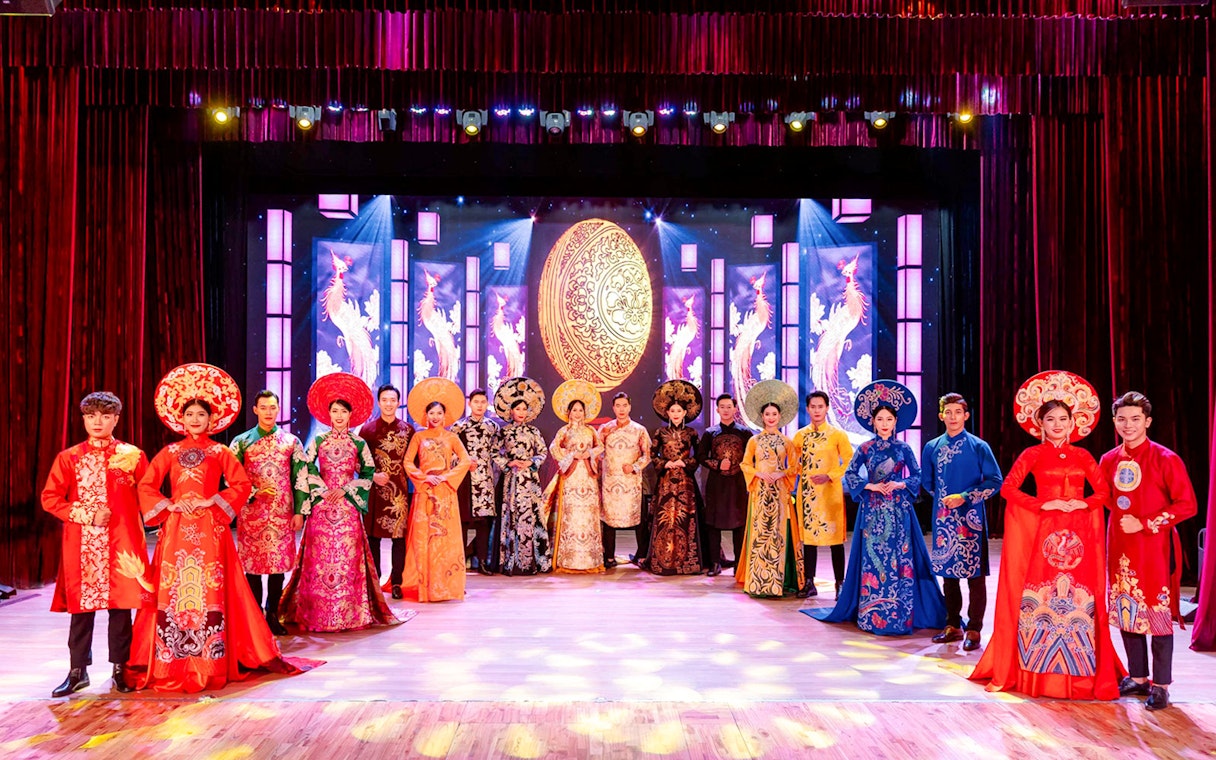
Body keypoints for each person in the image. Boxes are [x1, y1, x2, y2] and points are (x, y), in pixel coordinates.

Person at [131, 363, 302, 692]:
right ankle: (174, 656)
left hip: (211, 529)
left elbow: (240, 484)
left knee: (212, 587)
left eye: (201, 415)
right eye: (190, 415)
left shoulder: (220, 451)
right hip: (177, 528)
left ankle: (214, 656)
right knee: (174, 589)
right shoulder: (169, 452)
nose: (195, 420)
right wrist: (169, 504)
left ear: (212, 420)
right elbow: (146, 486)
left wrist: (212, 501)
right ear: (180, 419)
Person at [970, 370, 1123, 699]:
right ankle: (1037, 674)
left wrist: (1081, 504)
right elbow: (1008, 489)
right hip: (1044, 538)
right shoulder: (1032, 455)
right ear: (1040, 424)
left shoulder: (1083, 456)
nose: (1057, 425)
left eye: (1063, 419)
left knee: (1081, 601)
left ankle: (1079, 673)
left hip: (1079, 537)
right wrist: (1044, 503)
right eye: (1051, 419)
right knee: (1040, 601)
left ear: (1073, 423)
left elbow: (1105, 494)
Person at [805, 380, 946, 636]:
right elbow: (850, 473)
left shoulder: (903, 448)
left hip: (898, 510)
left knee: (901, 558)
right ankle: (872, 614)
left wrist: (899, 483)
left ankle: (900, 612)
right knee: (873, 558)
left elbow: (917, 476)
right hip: (872, 511)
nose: (884, 423)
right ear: (873, 422)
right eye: (879, 419)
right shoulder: (866, 448)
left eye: (888, 419)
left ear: (895, 422)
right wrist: (869, 487)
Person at [42, 392, 150, 697]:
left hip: (123, 543)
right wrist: (87, 513)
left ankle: (120, 669)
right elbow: (50, 498)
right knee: (81, 611)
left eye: (104, 416)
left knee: (121, 610)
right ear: (84, 419)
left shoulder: (133, 455)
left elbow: (148, 495)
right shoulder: (69, 458)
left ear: (116, 418)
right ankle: (78, 671)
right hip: (82, 544)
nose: (98, 422)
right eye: (91, 417)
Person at [1100, 391, 1198, 710]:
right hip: (1119, 547)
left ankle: (1161, 685)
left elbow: (1187, 505)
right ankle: (1138, 678)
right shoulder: (1109, 459)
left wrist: (1145, 523)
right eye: (1122, 419)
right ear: (1115, 422)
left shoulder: (1165, 459)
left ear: (1148, 422)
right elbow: (1102, 497)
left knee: (1156, 617)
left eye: (1135, 419)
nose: (1128, 425)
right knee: (1128, 611)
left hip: (1153, 547)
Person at [280, 372, 398, 632]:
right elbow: (305, 467)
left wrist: (346, 489)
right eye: (334, 411)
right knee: (318, 559)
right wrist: (321, 490)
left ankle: (348, 612)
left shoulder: (358, 443)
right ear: (329, 414)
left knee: (347, 559)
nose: (339, 416)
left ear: (350, 415)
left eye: (343, 412)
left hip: (346, 508)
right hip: (321, 507)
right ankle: (317, 612)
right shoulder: (319, 441)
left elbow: (368, 472)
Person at [921, 393, 1003, 651]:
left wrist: (965, 497)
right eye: (949, 412)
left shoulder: (979, 446)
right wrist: (945, 502)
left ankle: (974, 629)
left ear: (966, 415)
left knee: (975, 576)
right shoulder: (932, 447)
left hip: (972, 520)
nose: (953, 416)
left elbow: (995, 481)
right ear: (941, 415)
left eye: (958, 412)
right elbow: (927, 482)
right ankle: (952, 624)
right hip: (944, 520)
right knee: (948, 576)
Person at [229, 390, 311, 636]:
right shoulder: (241, 442)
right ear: (255, 410)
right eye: (263, 407)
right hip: (252, 513)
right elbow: (231, 476)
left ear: (278, 409)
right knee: (253, 566)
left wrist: (300, 511)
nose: (267, 411)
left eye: (272, 407)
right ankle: (254, 615)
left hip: (281, 513)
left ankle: (272, 613)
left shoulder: (291, 442)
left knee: (278, 566)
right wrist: (253, 492)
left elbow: (301, 478)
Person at [400, 378, 474, 602]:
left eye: (439, 413)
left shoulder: (452, 437)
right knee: (425, 539)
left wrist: (445, 477)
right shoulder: (418, 437)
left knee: (445, 540)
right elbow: (407, 463)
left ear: (444, 415)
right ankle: (426, 586)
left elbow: (465, 460)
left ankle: (447, 586)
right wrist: (424, 477)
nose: (435, 417)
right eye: (431, 413)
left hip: (445, 492)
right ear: (426, 416)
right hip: (425, 493)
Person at [737, 380, 805, 597]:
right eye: (767, 414)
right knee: (761, 533)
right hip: (760, 492)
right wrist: (758, 472)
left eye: (774, 413)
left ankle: (781, 580)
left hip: (780, 493)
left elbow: (795, 467)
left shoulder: (787, 442)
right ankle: (758, 581)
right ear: (762, 416)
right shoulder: (754, 441)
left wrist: (781, 473)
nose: (771, 417)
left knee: (779, 533)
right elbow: (745, 464)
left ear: (780, 416)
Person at [789, 391, 854, 598]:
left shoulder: (837, 435)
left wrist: (829, 475)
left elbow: (849, 461)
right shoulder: (800, 436)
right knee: (808, 538)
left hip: (830, 493)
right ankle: (809, 582)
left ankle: (840, 583)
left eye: (820, 406)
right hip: (807, 493)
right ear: (807, 409)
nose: (817, 410)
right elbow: (793, 463)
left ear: (827, 408)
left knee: (835, 539)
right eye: (813, 407)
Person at [358, 383, 415, 598]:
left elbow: (413, 462)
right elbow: (358, 463)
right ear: (379, 402)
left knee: (398, 538)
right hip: (374, 491)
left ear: (398, 403)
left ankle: (397, 582)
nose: (389, 404)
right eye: (385, 400)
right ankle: (375, 581)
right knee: (373, 537)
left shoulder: (407, 430)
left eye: (393, 400)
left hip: (399, 491)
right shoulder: (367, 430)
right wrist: (373, 476)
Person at [494, 377, 552, 575]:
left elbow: (543, 452)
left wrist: (530, 462)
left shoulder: (534, 431)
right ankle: (512, 561)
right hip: (512, 480)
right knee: (511, 517)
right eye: (517, 409)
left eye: (524, 409)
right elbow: (495, 453)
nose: (521, 412)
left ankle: (533, 560)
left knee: (532, 517)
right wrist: (508, 463)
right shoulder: (504, 432)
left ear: (528, 412)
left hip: (529, 479)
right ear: (511, 411)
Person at [548, 380, 606, 573]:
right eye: (574, 410)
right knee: (571, 515)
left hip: (587, 477)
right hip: (571, 477)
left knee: (588, 516)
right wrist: (572, 455)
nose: (578, 413)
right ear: (569, 412)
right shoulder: (564, 431)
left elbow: (600, 447)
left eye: (581, 410)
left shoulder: (591, 431)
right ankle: (569, 559)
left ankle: (590, 559)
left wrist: (589, 454)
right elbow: (554, 448)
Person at [648, 380, 703, 576]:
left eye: (679, 411)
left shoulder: (692, 433)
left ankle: (687, 560)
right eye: (673, 411)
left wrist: (685, 463)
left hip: (685, 482)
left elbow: (699, 456)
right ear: (667, 413)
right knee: (665, 518)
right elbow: (652, 455)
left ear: (685, 413)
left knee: (685, 518)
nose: (676, 414)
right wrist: (664, 463)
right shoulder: (660, 433)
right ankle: (662, 560)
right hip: (665, 482)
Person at [697, 394, 753, 577]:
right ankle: (715, 563)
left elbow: (752, 457)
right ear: (717, 409)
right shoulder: (710, 433)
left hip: (738, 482)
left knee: (739, 524)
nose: (726, 410)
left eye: (729, 406)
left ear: (735, 409)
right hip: (716, 483)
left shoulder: (744, 433)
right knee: (713, 524)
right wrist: (717, 464)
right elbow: (701, 456)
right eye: (722, 407)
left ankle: (739, 564)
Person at [598, 392, 653, 569]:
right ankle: (609, 556)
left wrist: (635, 467)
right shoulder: (605, 429)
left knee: (638, 518)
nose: (621, 409)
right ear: (613, 408)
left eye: (624, 405)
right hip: (610, 481)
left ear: (629, 407)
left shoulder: (639, 430)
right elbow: (598, 452)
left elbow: (647, 456)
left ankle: (642, 555)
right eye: (618, 406)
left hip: (631, 481)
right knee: (609, 519)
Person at [452, 388, 500, 575]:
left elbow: (497, 453)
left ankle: (481, 561)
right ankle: (460, 561)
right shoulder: (459, 426)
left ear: (487, 404)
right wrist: (463, 461)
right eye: (476, 402)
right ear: (469, 404)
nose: (479, 405)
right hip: (464, 478)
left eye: (483, 402)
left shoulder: (493, 427)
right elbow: (450, 453)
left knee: (483, 522)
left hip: (485, 480)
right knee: (463, 521)